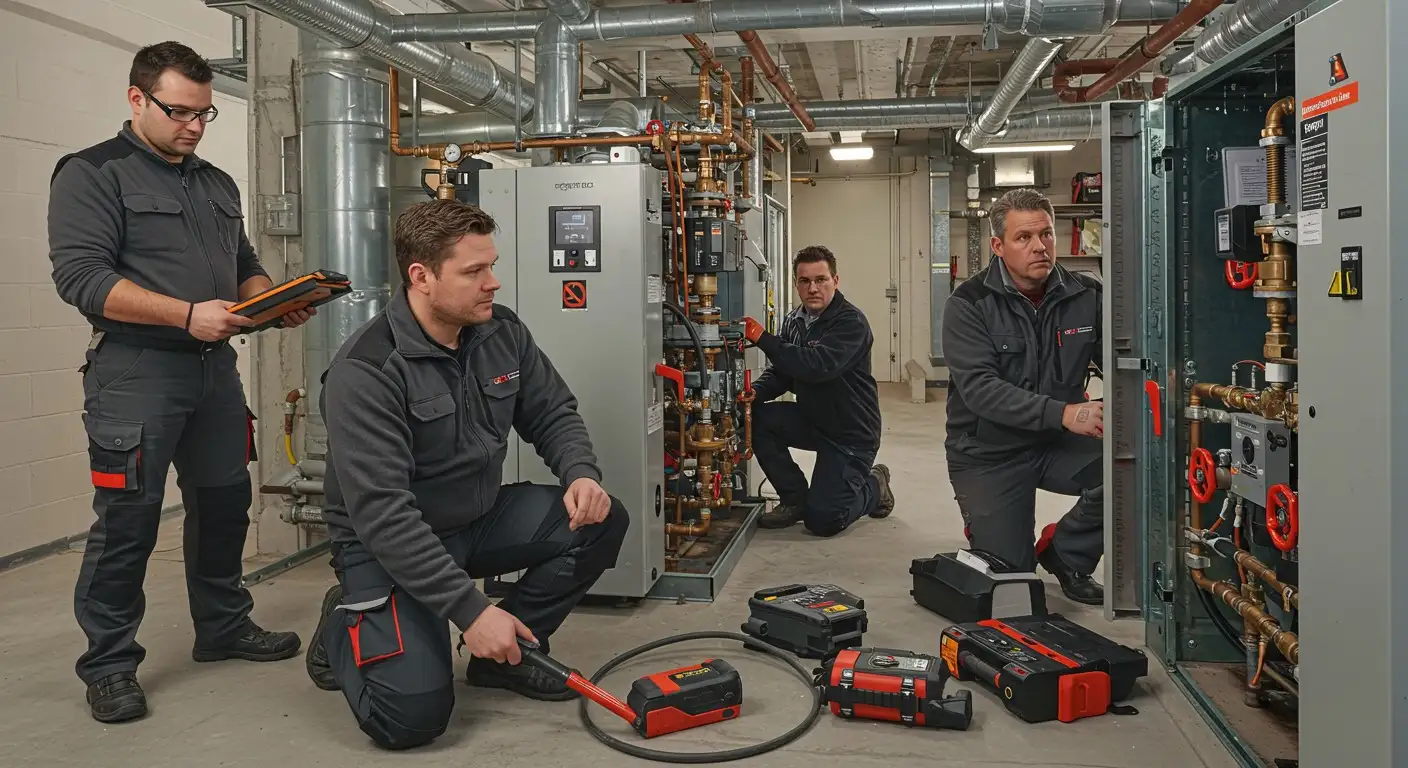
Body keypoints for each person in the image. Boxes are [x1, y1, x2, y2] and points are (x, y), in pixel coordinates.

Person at [302, 199, 629, 750]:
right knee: (409, 722)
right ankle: (347, 615)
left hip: (475, 519)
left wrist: (580, 473)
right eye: (474, 271)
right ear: (422, 277)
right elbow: (383, 515)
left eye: (492, 266)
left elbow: (551, 411)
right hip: (387, 547)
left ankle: (506, 658)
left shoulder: (500, 331)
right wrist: (471, 610)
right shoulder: (368, 371)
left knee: (600, 519)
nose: (493, 283)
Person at [47, 41, 309, 725]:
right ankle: (108, 664)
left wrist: (271, 301)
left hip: (213, 374)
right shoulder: (92, 174)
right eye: (179, 112)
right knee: (128, 521)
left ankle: (222, 625)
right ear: (137, 99)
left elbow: (244, 262)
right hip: (137, 372)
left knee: (224, 504)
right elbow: (82, 280)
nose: (193, 126)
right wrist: (185, 315)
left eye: (204, 113)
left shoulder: (216, 183)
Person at [941, 187, 1105, 605]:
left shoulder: (1086, 296)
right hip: (988, 451)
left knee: (1137, 470)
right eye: (1024, 238)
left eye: (1046, 234)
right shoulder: (968, 304)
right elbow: (980, 390)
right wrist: (1065, 413)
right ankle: (1001, 544)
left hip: (1055, 443)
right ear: (998, 246)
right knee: (1012, 585)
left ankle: (1068, 554)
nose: (1040, 247)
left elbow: (1124, 364)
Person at [740, 245, 895, 536]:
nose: (813, 288)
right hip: (814, 419)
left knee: (824, 520)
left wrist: (763, 339)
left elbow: (817, 365)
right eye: (805, 281)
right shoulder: (794, 321)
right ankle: (794, 498)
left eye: (821, 279)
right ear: (796, 284)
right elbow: (785, 372)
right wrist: (756, 393)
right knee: (756, 418)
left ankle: (875, 485)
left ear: (835, 281)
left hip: (850, 433)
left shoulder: (851, 322)